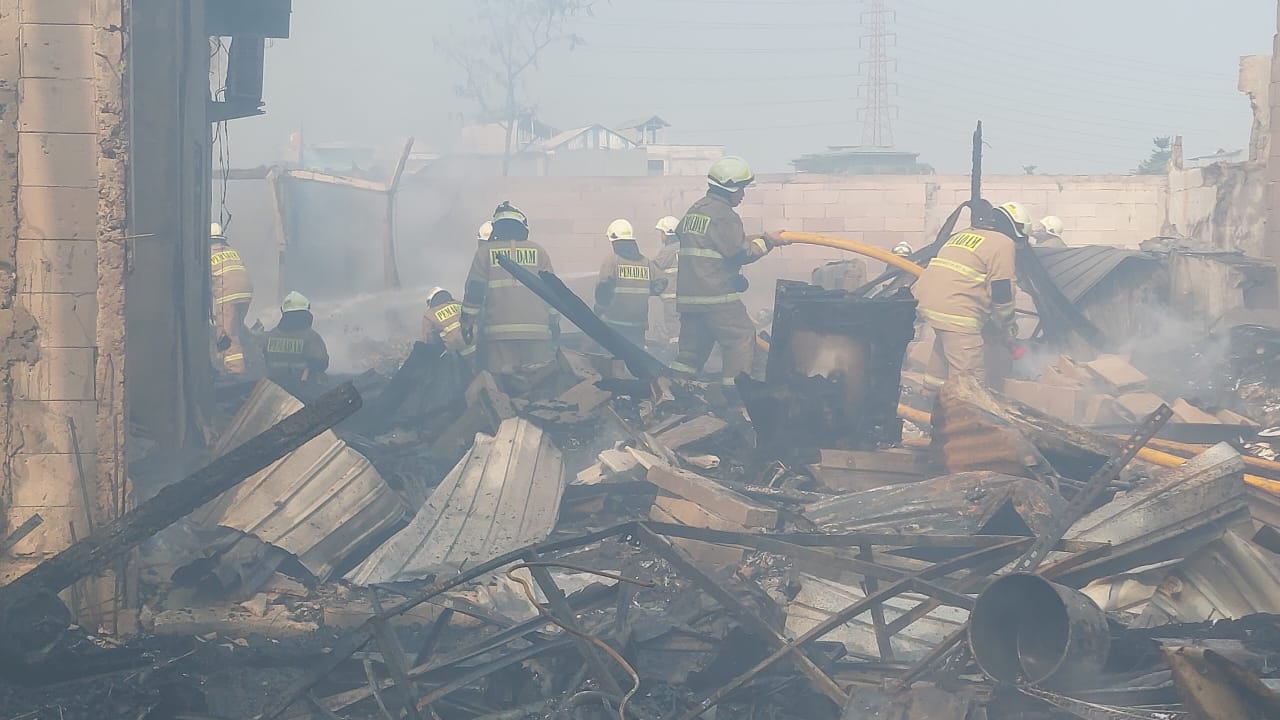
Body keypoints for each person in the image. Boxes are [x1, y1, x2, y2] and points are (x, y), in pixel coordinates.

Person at [670, 156, 786, 391]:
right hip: (716, 297)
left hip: (690, 299)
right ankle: (736, 395)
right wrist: (768, 242)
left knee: (690, 353)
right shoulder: (724, 215)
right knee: (741, 338)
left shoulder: (695, 210)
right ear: (730, 188)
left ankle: (671, 390)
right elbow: (740, 253)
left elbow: (691, 237)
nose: (742, 195)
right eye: (741, 189)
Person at [912, 201, 1029, 389]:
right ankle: (965, 407)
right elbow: (1001, 291)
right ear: (1016, 231)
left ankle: (929, 397)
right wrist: (1007, 326)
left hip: (929, 304)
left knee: (945, 351)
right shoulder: (1003, 243)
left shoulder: (964, 234)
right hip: (959, 313)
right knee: (969, 381)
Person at [462, 201, 559, 375]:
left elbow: (474, 293)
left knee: (502, 383)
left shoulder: (485, 253)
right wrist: (554, 322)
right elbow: (553, 292)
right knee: (539, 382)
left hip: (499, 337)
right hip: (537, 336)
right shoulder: (539, 252)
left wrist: (467, 323)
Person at [594, 219, 667, 348]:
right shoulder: (645, 262)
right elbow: (662, 281)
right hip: (638, 324)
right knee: (636, 356)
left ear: (615, 241)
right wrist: (647, 291)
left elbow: (603, 289)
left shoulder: (612, 260)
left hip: (614, 323)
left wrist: (599, 309)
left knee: (615, 355)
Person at [263, 291, 329, 393]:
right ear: (306, 313)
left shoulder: (270, 336)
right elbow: (322, 363)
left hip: (272, 391)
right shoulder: (311, 337)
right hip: (304, 393)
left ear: (283, 312)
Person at [209, 222, 254, 374]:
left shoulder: (207, 254)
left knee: (227, 335)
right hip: (246, 292)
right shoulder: (232, 251)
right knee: (237, 327)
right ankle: (250, 357)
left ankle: (236, 370)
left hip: (227, 294)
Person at [423, 287, 477, 370]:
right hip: (478, 348)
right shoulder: (459, 304)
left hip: (457, 357)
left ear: (431, 301)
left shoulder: (429, 315)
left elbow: (428, 343)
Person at [652, 216, 682, 347]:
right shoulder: (683, 247)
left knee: (673, 325)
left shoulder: (669, 250)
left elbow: (654, 267)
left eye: (662, 233)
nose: (661, 236)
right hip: (684, 294)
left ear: (668, 233)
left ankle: (676, 351)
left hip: (671, 296)